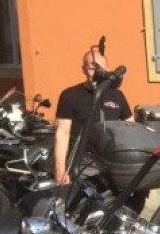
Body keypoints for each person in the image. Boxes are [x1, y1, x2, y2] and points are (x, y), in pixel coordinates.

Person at [54, 47, 134, 194]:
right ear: (83, 69)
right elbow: (62, 133)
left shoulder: (117, 95)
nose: (96, 74)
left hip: (111, 162)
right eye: (92, 69)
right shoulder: (70, 95)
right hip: (82, 163)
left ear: (108, 69)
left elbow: (130, 127)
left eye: (101, 69)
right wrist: (60, 169)